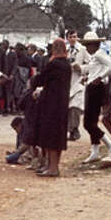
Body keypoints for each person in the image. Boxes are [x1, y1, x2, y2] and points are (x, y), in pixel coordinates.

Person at [32, 37, 72, 176]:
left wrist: (35, 79)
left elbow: (40, 79)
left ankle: (52, 167)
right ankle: (53, 166)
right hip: (63, 103)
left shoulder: (53, 64)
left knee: (50, 135)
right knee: (59, 135)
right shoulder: (67, 64)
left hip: (51, 103)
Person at [80, 31, 111, 163]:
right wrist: (87, 77)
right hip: (92, 86)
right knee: (91, 121)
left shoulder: (100, 54)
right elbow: (95, 70)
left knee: (88, 123)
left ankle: (110, 145)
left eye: (89, 45)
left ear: (95, 45)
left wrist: (100, 77)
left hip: (96, 88)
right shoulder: (94, 56)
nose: (87, 48)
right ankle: (95, 150)